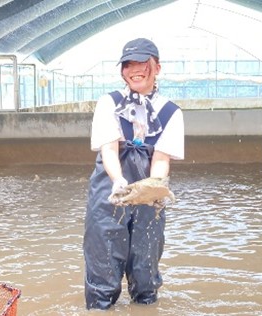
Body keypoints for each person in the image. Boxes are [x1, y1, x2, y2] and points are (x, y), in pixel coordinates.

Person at [83, 37, 184, 310]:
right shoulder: (109, 103)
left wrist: (154, 188)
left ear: (157, 68)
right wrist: (118, 182)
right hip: (110, 188)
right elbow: (109, 150)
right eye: (128, 64)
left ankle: (145, 306)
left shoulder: (171, 112)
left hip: (148, 189)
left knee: (145, 263)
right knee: (103, 259)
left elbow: (161, 159)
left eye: (142, 63)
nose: (134, 69)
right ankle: (100, 308)